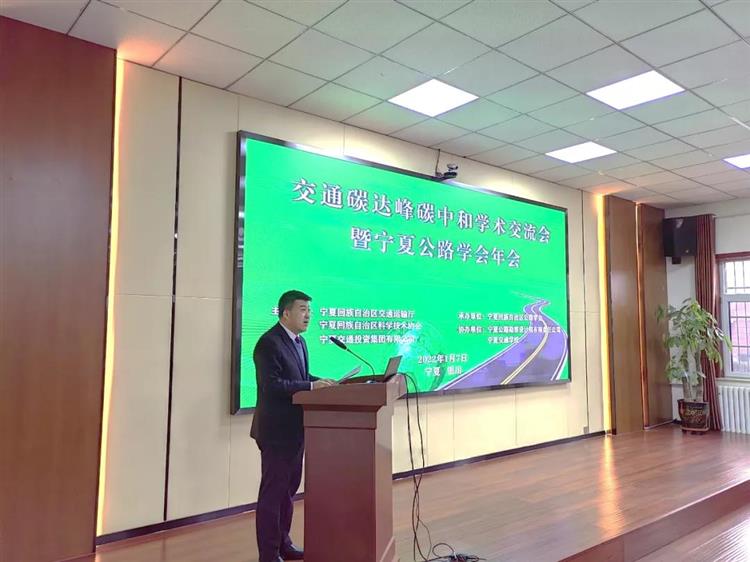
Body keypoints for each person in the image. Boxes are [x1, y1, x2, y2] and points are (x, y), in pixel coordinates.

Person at [251, 290, 334, 562]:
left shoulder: (300, 342)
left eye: (310, 310)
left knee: (287, 493)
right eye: (302, 309)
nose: (308, 315)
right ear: (285, 313)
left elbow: (300, 375)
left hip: (296, 430)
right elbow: (272, 385)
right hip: (275, 432)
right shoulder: (269, 343)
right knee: (273, 494)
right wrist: (310, 386)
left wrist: (323, 382)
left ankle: (283, 544)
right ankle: (268, 553)